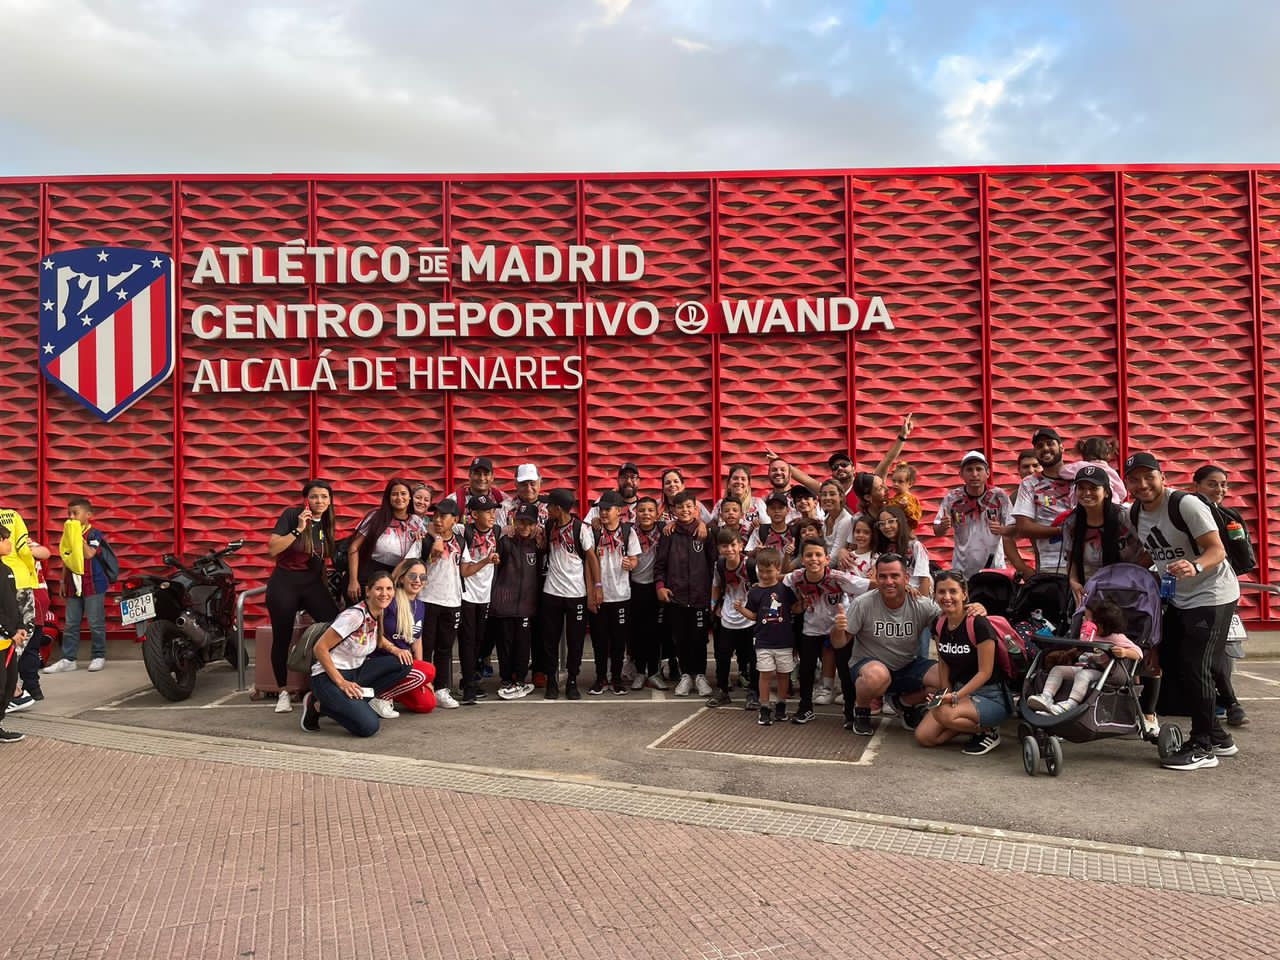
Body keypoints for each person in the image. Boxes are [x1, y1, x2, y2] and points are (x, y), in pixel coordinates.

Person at [1125, 452, 1240, 771]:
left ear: (1163, 477)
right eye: (1135, 479)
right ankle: (1219, 737)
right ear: (1128, 483)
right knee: (1173, 663)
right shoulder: (1135, 513)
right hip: (1179, 596)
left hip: (1213, 593)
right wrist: (1127, 572)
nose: (1143, 484)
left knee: (1196, 666)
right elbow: (1155, 551)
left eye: (1150, 476)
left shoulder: (1186, 504)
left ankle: (1203, 746)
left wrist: (1195, 564)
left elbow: (1218, 550)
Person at [831, 555, 954, 737]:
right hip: (870, 668)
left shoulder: (921, 604)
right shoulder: (863, 603)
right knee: (878, 675)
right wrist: (837, 629)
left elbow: (951, 618)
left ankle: (903, 703)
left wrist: (973, 608)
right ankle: (862, 710)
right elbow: (839, 643)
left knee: (947, 679)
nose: (889, 581)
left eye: (895, 576)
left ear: (906, 577)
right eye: (883, 576)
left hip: (906, 666)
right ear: (876, 577)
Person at [299, 572, 412, 737]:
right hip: (329, 676)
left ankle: (352, 703)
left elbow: (377, 639)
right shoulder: (354, 616)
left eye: (389, 589)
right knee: (369, 727)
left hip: (356, 671)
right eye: (379, 589)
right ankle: (317, 706)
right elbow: (320, 648)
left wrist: (396, 650)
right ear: (368, 591)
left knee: (404, 663)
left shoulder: (377, 611)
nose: (385, 593)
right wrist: (342, 682)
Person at [912, 570, 1013, 755]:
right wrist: (945, 693)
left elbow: (985, 672)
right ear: (935, 595)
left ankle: (989, 731)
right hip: (960, 691)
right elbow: (943, 664)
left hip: (990, 695)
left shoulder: (978, 624)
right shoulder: (939, 624)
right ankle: (969, 726)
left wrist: (954, 698)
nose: (947, 597)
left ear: (964, 594)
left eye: (953, 591)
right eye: (941, 592)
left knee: (943, 714)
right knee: (925, 737)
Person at [261, 480, 340, 712]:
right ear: (306, 498)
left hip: (311, 584)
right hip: (285, 583)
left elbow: (321, 559)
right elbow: (273, 548)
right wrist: (298, 528)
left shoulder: (327, 521)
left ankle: (328, 679)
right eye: (315, 497)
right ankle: (283, 691)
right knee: (282, 637)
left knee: (336, 627)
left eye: (324, 497)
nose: (320, 501)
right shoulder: (292, 515)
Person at [784, 540, 870, 724]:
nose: (813, 559)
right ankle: (805, 708)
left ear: (826, 559)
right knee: (806, 670)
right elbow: (778, 579)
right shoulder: (795, 577)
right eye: (808, 555)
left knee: (845, 671)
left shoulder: (838, 578)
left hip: (837, 629)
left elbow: (869, 584)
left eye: (818, 555)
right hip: (811, 628)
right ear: (802, 560)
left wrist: (902, 585)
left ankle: (849, 712)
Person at [1192, 463, 1252, 727]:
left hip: (1221, 590)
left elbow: (1242, 557)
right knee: (1205, 651)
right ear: (1197, 485)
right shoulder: (1192, 511)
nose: (1219, 489)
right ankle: (1227, 702)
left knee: (1217, 651)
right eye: (1212, 484)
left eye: (1223, 484)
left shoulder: (1229, 516)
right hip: (1193, 589)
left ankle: (1228, 701)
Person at [1026, 596, 1140, 716]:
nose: (1084, 620)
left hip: (1107, 673)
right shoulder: (1089, 635)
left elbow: (1138, 652)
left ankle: (1070, 704)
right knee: (1058, 669)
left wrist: (1125, 652)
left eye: (1087, 619)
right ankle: (1046, 697)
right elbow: (1080, 649)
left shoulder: (1116, 637)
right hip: (1088, 667)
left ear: (1101, 624)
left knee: (1083, 675)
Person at [655, 491, 715, 697]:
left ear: (696, 509)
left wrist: (712, 595)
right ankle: (686, 676)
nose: (685, 510)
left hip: (700, 598)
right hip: (677, 598)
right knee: (680, 639)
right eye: (680, 507)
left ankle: (700, 676)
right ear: (673, 510)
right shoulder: (668, 534)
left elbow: (713, 564)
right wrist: (660, 586)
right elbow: (660, 565)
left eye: (689, 506)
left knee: (699, 639)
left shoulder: (705, 533)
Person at [541, 489, 600, 700]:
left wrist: (596, 587)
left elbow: (592, 558)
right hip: (551, 592)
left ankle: (572, 680)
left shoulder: (581, 528)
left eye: (549, 506)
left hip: (576, 593)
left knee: (575, 641)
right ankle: (552, 680)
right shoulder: (548, 526)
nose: (547, 509)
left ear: (558, 508)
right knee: (550, 640)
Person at [46, 497, 113, 675]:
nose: (71, 517)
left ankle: (98, 655)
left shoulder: (94, 534)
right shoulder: (68, 532)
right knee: (71, 623)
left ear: (88, 515)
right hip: (72, 583)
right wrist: (62, 580)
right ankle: (69, 659)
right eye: (69, 514)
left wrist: (78, 538)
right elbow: (66, 557)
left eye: (75, 513)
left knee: (95, 622)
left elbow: (90, 554)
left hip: (93, 583)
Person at [932, 451, 1024, 579]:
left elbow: (1015, 528)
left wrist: (1003, 529)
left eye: (979, 469)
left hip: (994, 568)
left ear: (988, 473)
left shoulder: (999, 496)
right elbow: (937, 531)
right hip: (962, 571)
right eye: (969, 470)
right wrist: (943, 526)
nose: (974, 474)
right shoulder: (952, 498)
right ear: (961, 474)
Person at [1062, 464, 1145, 605]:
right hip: (1092, 589)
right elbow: (1072, 559)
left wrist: (1130, 576)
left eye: (1093, 488)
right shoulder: (1071, 522)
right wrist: (1074, 582)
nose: (1087, 493)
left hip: (1131, 585)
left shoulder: (1126, 517)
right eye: (1081, 488)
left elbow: (1149, 551)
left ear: (1106, 492)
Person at [735, 548, 795, 726]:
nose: (765, 575)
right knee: (765, 674)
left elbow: (796, 607)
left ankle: (782, 705)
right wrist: (740, 610)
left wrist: (805, 603)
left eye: (769, 571)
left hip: (784, 641)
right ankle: (764, 706)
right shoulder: (754, 592)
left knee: (784, 675)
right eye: (761, 571)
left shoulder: (785, 588)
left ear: (778, 569)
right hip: (763, 641)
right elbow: (754, 616)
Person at [490, 502, 543, 700]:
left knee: (522, 644)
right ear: (514, 521)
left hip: (526, 606)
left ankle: (520, 679)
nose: (524, 527)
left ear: (535, 525)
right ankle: (505, 678)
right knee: (505, 644)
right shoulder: (504, 542)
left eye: (529, 524)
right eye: (521, 522)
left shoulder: (537, 545)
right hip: (503, 605)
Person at [589, 491, 640, 694]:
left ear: (619, 511)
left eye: (607, 509)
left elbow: (635, 559)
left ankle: (616, 678)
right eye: (600, 509)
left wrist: (631, 563)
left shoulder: (628, 532)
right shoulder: (592, 532)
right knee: (599, 640)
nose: (603, 513)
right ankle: (601, 678)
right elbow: (588, 562)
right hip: (599, 594)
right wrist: (593, 590)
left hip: (621, 595)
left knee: (619, 641)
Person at [372, 558, 437, 714]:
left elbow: (417, 640)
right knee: (430, 670)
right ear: (402, 578)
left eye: (423, 577)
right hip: (381, 660)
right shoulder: (389, 600)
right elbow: (373, 633)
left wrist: (422, 678)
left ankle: (393, 693)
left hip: (404, 665)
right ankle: (380, 697)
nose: (418, 581)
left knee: (426, 704)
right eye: (413, 576)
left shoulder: (421, 605)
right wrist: (395, 650)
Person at [345, 478, 427, 601]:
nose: (399, 498)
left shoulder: (417, 522)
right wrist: (353, 580)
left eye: (403, 493)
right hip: (368, 575)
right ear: (388, 498)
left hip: (399, 577)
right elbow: (354, 547)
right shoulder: (376, 517)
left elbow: (432, 531)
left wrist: (435, 538)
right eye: (394, 494)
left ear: (410, 497)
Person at [1011, 427, 1075, 575]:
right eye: (1039, 446)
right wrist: (1063, 531)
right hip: (1050, 567)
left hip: (1087, 562)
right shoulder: (1029, 483)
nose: (1045, 448)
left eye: (1049, 443)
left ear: (1061, 447)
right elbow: (1023, 527)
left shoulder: (1079, 476)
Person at [419, 498, 464, 709]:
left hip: (452, 600)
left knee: (445, 648)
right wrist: (429, 556)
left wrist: (486, 562)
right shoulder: (424, 540)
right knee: (425, 647)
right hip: (427, 599)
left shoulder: (462, 539)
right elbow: (412, 567)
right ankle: (424, 686)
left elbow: (464, 568)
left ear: (455, 519)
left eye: (443, 516)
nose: (437, 520)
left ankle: (441, 689)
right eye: (434, 515)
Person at [457, 494, 501, 705]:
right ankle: (468, 686)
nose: (492, 514)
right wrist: (486, 560)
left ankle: (471, 677)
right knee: (468, 640)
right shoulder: (463, 532)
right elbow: (465, 571)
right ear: (474, 514)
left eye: (494, 510)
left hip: (486, 595)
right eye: (487, 511)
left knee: (479, 641)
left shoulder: (499, 531)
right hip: (466, 594)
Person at [709, 527, 756, 708]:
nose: (729, 549)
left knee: (752, 658)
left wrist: (757, 612)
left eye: (732, 545)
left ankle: (754, 693)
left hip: (749, 617)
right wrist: (713, 607)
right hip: (727, 617)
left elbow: (762, 586)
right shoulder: (719, 565)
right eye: (724, 546)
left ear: (740, 545)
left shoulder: (750, 566)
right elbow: (716, 586)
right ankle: (722, 691)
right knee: (722, 656)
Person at [628, 496, 667, 690]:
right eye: (642, 510)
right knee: (637, 633)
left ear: (657, 513)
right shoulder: (629, 532)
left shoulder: (664, 531)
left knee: (654, 634)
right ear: (636, 512)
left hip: (655, 587)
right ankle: (640, 672)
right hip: (634, 587)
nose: (646, 514)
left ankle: (654, 672)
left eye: (650, 510)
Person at [0, 524, 30, 743]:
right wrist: (9, 632)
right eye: (5, 540)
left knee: (10, 684)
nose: (9, 543)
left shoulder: (7, 570)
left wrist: (20, 626)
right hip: (3, 636)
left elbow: (12, 604)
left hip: (8, 639)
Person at [874, 506, 932, 596]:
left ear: (900, 521)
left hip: (915, 597)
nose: (886, 526)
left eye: (891, 521)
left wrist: (922, 604)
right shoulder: (880, 550)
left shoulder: (915, 546)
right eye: (882, 523)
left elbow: (924, 578)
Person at [745, 492, 795, 563]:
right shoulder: (760, 530)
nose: (777, 511)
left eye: (780, 508)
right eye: (772, 508)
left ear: (787, 510)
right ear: (767, 511)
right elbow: (748, 553)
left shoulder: (795, 531)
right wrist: (756, 551)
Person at [716, 464, 768, 530]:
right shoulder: (720, 504)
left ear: (748, 485)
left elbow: (769, 527)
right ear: (728, 483)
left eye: (743, 479)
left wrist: (760, 529)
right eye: (735, 478)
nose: (739, 481)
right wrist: (702, 524)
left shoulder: (757, 503)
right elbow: (710, 525)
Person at [818, 480, 852, 560]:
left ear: (841, 497)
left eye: (832, 494)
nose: (827, 498)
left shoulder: (846, 521)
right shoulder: (826, 517)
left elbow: (834, 557)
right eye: (824, 495)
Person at [836, 514, 878, 579]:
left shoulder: (875, 557)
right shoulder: (847, 555)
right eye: (857, 531)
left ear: (873, 535)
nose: (860, 535)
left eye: (866, 532)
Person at [886, 461, 923, 530]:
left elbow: (914, 517)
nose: (896, 484)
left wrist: (906, 507)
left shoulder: (908, 499)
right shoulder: (897, 497)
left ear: (910, 484)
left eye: (900, 481)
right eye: (894, 481)